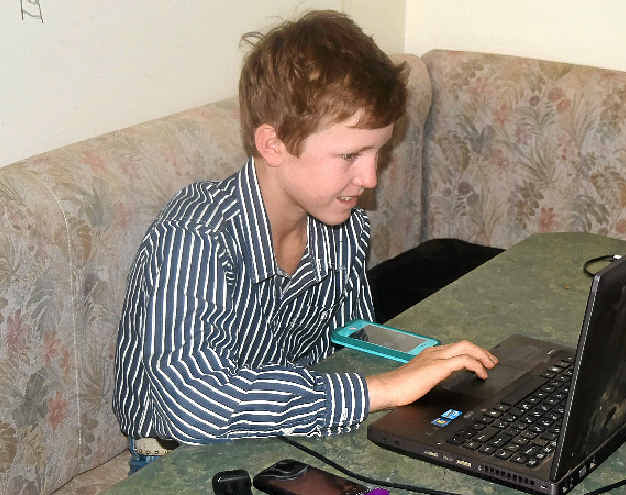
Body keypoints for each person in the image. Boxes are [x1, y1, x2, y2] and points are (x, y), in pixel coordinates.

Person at [112, 10, 497, 471]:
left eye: (381, 152)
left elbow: (348, 340)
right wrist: (385, 389)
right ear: (274, 145)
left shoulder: (342, 224)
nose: (370, 178)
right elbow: (190, 406)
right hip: (177, 458)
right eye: (351, 155)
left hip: (287, 434)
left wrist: (424, 356)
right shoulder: (196, 237)